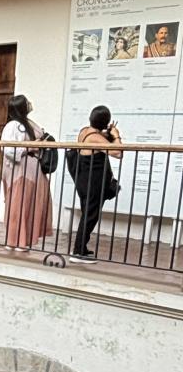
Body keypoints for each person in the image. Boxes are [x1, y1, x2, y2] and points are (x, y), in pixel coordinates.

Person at [67, 105, 122, 262]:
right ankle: (78, 253)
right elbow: (118, 152)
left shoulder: (85, 131)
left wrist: (108, 134)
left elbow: (101, 140)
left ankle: (81, 248)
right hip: (93, 182)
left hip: (85, 180)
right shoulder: (95, 138)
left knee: (88, 214)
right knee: (90, 216)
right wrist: (116, 135)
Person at [0, 95, 53, 250]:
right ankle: (15, 240)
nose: (30, 104)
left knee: (29, 204)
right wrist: (30, 147)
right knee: (19, 204)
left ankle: (24, 239)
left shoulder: (28, 123)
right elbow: (8, 149)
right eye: (27, 102)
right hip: (20, 170)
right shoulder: (12, 126)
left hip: (32, 169)